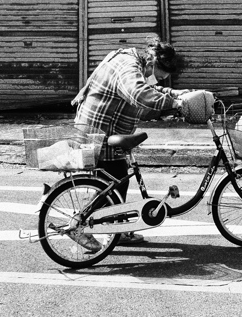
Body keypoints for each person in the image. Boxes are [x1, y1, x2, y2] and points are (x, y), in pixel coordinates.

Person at [68, 38, 190, 251]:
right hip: (97, 133)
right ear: (151, 62)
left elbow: (152, 91)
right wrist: (176, 104)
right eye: (159, 76)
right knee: (109, 182)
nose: (158, 81)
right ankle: (77, 226)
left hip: (108, 131)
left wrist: (176, 95)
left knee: (118, 178)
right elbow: (139, 93)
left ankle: (115, 228)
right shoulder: (127, 66)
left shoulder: (139, 66)